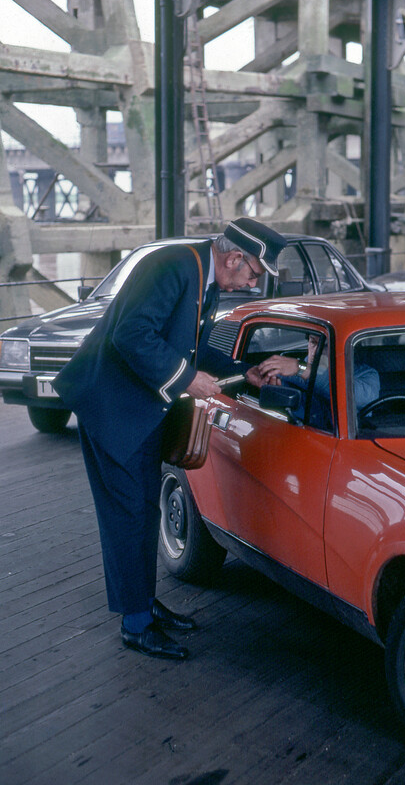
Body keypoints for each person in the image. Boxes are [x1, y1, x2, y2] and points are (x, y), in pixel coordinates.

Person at [53, 217, 286, 660]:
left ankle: (143, 604)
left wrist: (247, 374)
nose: (253, 283)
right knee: (127, 515)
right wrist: (187, 379)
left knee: (142, 509)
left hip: (136, 409)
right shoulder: (173, 266)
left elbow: (192, 346)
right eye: (254, 272)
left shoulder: (201, 272)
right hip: (111, 409)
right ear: (235, 257)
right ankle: (136, 624)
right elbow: (132, 335)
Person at [258, 334, 380, 428]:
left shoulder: (365, 374)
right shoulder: (286, 372)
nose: (317, 351)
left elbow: (357, 396)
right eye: (313, 342)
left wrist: (302, 369)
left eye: (325, 345)